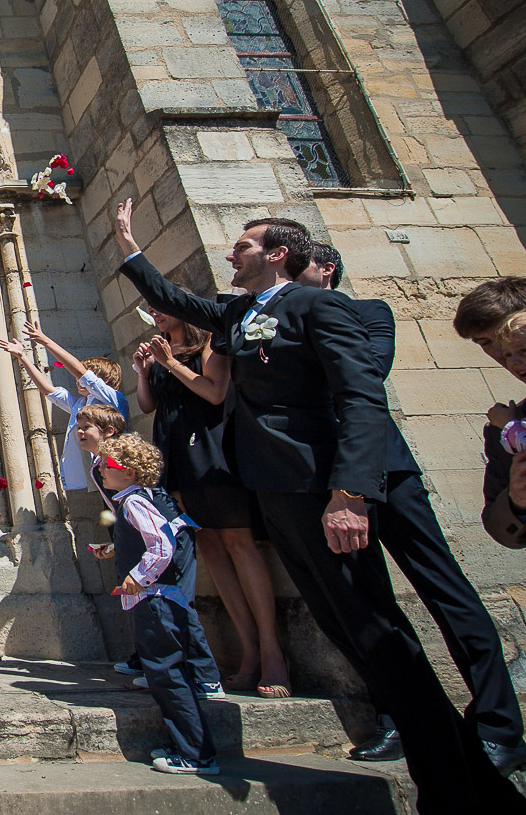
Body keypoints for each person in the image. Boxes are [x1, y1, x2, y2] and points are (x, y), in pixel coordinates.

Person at [112, 198, 523, 811]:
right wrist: (127, 240)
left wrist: (349, 491)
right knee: (351, 630)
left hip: (329, 485)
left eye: (244, 245)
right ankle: (455, 765)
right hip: (279, 489)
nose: (230, 253)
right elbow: (178, 301)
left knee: (382, 628)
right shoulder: (242, 312)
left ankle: (468, 768)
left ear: (279, 253)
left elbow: (360, 396)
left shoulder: (320, 306)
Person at [298, 245, 525, 772]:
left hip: (386, 471)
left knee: (446, 591)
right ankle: (404, 718)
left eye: (297, 268)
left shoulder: (369, 310)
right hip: (322, 481)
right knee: (365, 607)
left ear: (325, 268)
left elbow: (365, 375)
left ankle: (499, 725)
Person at [133, 307, 288, 699]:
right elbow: (149, 406)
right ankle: (248, 651)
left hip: (208, 449)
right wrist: (145, 370)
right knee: (210, 546)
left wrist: (170, 363)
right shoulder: (162, 351)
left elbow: (214, 391)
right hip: (175, 452)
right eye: (151, 310)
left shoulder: (209, 345)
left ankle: (272, 653)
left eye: (161, 308)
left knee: (238, 542)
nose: (155, 315)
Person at [96, 433, 218, 775]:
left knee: (167, 675)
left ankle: (197, 754)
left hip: (155, 601)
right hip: (159, 600)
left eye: (107, 465)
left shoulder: (133, 501)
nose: (102, 470)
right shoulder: (138, 498)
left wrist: (139, 576)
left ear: (130, 471)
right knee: (166, 673)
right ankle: (188, 746)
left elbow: (161, 546)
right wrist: (118, 551)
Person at [0, 323, 128, 493]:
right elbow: (48, 390)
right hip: (102, 467)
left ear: (105, 381)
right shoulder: (81, 405)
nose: (78, 379)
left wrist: (45, 341)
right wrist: (22, 357)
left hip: (119, 466)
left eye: (84, 376)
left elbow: (81, 373)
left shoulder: (112, 398)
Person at [453, 276, 526, 548]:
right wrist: (517, 502)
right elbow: (500, 527)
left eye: (505, 337)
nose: (501, 353)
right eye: (486, 342)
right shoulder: (504, 425)